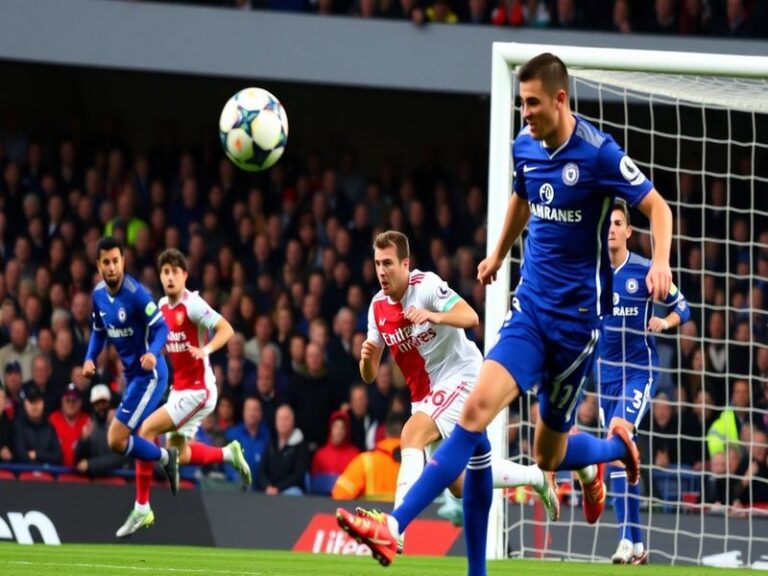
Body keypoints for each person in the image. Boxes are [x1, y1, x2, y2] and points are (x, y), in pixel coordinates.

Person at [337, 53, 672, 573]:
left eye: (534, 103)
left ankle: (612, 452)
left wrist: (663, 263)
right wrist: (498, 252)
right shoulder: (525, 144)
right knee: (474, 418)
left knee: (547, 457)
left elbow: (659, 208)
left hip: (577, 327)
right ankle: (395, 526)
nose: (526, 113)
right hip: (530, 314)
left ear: (560, 99)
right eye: (521, 103)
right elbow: (522, 195)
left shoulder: (599, 153)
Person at [350, 230, 559, 554]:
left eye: (388, 263)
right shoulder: (377, 308)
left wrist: (433, 314)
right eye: (377, 263)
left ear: (405, 264)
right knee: (460, 484)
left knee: (411, 435)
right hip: (426, 395)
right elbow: (369, 374)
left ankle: (395, 528)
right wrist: (366, 359)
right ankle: (536, 476)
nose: (381, 271)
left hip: (462, 376)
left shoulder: (426, 286)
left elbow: (470, 316)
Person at [116, 248, 251, 537]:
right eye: (165, 272)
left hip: (200, 391)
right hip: (181, 390)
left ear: (184, 275)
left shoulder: (193, 305)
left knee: (146, 430)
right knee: (181, 453)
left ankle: (142, 507)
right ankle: (228, 454)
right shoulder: (162, 306)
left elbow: (226, 329)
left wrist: (206, 349)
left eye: (175, 271)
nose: (169, 276)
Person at [593, 201, 689, 564]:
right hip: (606, 376)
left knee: (618, 440)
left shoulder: (646, 271)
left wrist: (665, 323)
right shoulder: (594, 274)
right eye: (609, 224)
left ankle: (623, 540)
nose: (612, 229)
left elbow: (684, 307)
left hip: (638, 371)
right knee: (622, 453)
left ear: (629, 231)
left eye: (619, 223)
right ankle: (637, 544)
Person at [82, 237, 179, 526]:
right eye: (106, 262)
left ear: (123, 261)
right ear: (98, 265)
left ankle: (164, 461)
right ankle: (166, 459)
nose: (112, 267)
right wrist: (90, 358)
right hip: (132, 377)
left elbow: (161, 327)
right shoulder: (98, 295)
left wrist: (152, 352)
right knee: (121, 440)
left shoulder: (137, 295)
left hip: (151, 374)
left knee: (117, 438)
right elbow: (99, 331)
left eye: (116, 261)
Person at [332, 413, 403, 501]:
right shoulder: (418, 464)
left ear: (385, 432)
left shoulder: (366, 460)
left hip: (372, 514)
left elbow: (339, 494)